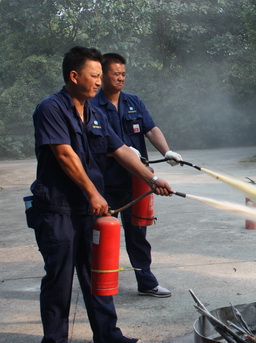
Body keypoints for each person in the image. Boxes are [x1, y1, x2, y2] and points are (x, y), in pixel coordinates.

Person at [28, 46, 173, 343]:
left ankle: (108, 335)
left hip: (89, 210)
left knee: (98, 274)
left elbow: (120, 149)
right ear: (73, 75)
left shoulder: (94, 111)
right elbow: (65, 155)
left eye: (99, 76)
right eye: (94, 76)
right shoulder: (51, 108)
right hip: (58, 209)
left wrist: (152, 177)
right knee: (59, 279)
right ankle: (54, 340)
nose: (98, 82)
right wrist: (95, 194)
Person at [90, 53, 182, 298]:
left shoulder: (134, 102)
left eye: (123, 74)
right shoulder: (91, 105)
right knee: (99, 233)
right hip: (105, 183)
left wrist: (167, 151)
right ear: (102, 75)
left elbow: (150, 129)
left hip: (136, 182)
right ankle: (98, 282)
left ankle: (146, 281)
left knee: (138, 233)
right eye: (114, 74)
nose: (120, 78)